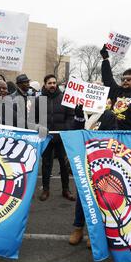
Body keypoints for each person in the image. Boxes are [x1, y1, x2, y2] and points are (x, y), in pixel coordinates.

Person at [68, 103, 118, 247]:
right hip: (82, 160)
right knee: (82, 195)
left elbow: (112, 136)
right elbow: (72, 133)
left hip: (100, 160)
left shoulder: (108, 114)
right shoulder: (81, 112)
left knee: (100, 197)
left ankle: (94, 232)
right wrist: (78, 118)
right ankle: (78, 228)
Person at [38, 74, 75, 202]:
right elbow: (33, 119)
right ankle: (46, 189)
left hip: (61, 137)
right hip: (46, 138)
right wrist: (40, 128)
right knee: (46, 164)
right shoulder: (39, 100)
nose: (52, 85)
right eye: (50, 83)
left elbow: (71, 116)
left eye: (54, 83)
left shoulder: (65, 98)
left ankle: (66, 190)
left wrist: (65, 129)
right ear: (45, 84)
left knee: (64, 165)